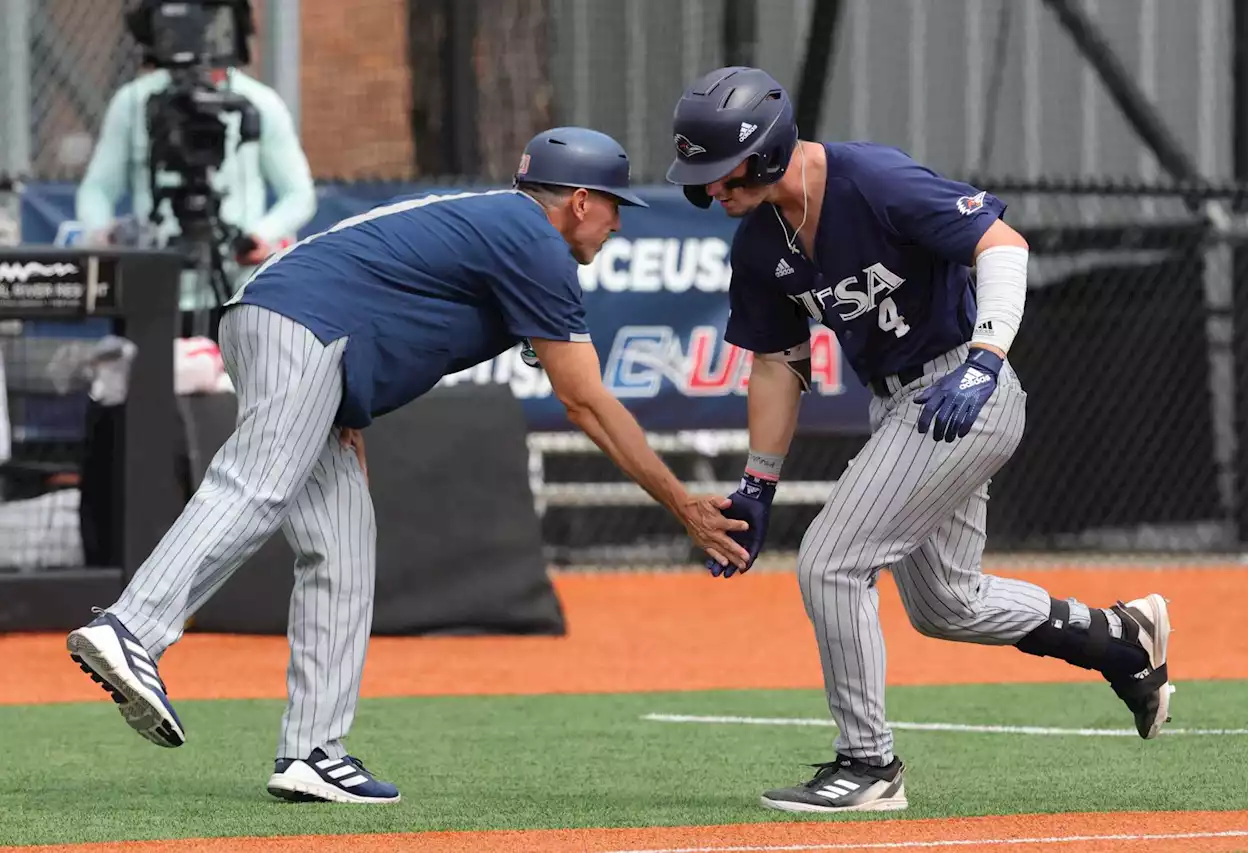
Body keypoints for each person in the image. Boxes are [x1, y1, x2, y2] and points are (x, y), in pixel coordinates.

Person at [66, 126, 751, 805]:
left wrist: (342, 402)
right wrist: (682, 504)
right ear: (578, 200)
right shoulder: (536, 242)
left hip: (296, 327)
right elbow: (586, 402)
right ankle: (132, 627)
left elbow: (392, 295)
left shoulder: (509, 231)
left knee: (341, 547)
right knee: (256, 483)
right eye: (613, 206)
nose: (616, 225)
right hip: (300, 322)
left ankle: (313, 750)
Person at [664, 67, 1172, 814]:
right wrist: (759, 480)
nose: (712, 189)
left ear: (768, 151)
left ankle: (870, 765)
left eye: (721, 170)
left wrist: (986, 357)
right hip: (898, 406)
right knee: (946, 603)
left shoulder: (871, 179)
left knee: (831, 562)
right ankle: (1121, 639)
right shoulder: (757, 244)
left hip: (963, 386)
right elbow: (777, 362)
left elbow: (1002, 245)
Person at [75, 0, 316, 329]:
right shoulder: (133, 103)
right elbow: (97, 189)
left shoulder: (258, 103)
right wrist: (106, 236)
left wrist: (261, 236)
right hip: (152, 287)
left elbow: (299, 194)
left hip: (237, 290)